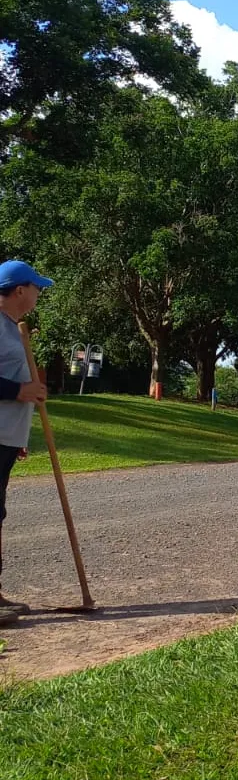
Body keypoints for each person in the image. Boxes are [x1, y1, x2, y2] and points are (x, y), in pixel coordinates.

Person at [0, 261, 51, 627]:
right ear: (20, 289)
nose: (39, 293)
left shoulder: (12, 329)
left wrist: (20, 438)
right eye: (36, 287)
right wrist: (20, 390)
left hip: (5, 437)